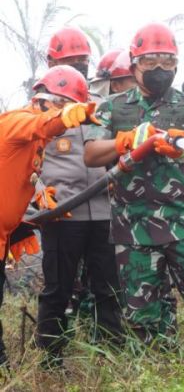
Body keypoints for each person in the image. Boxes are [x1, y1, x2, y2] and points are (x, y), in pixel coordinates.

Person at [84, 23, 184, 350]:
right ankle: (158, 373)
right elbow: (91, 154)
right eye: (151, 61)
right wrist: (125, 141)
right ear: (134, 63)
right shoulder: (113, 107)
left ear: (177, 64)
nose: (159, 69)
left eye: (167, 62)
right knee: (145, 317)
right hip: (134, 226)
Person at [0, 65, 96, 367]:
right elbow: (42, 125)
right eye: (62, 105)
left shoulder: (36, 144)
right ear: (41, 101)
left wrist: (34, 203)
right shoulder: (18, 121)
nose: (66, 115)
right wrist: (65, 115)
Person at [37, 27, 122, 367]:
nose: (77, 67)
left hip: (104, 214)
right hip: (62, 215)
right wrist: (39, 197)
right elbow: (22, 161)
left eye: (82, 61)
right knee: (58, 289)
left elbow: (119, 148)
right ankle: (51, 359)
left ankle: (112, 353)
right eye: (69, 61)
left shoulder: (105, 107)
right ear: (51, 63)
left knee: (108, 287)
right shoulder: (39, 109)